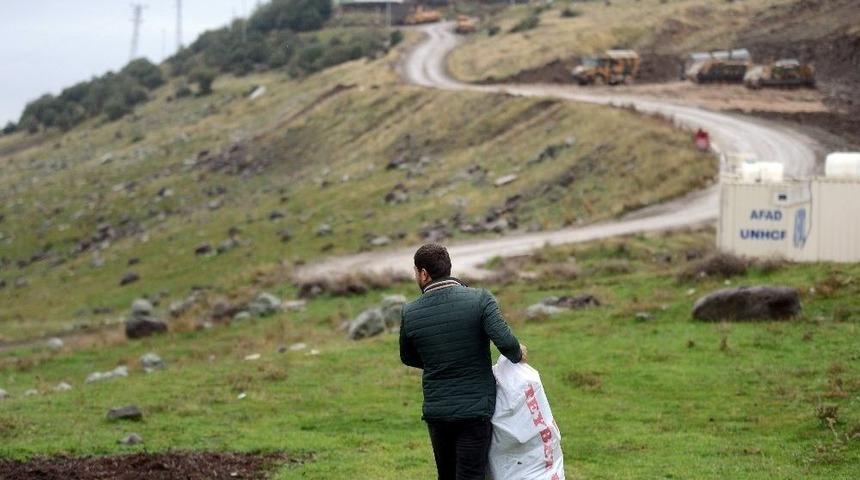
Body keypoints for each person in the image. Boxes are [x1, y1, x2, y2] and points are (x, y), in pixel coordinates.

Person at [400, 243, 527, 480]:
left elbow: (407, 356)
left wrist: (438, 361)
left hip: (437, 411)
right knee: (471, 475)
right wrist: (519, 352)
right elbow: (507, 344)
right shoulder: (480, 299)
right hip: (475, 409)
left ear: (424, 273)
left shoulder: (410, 312)